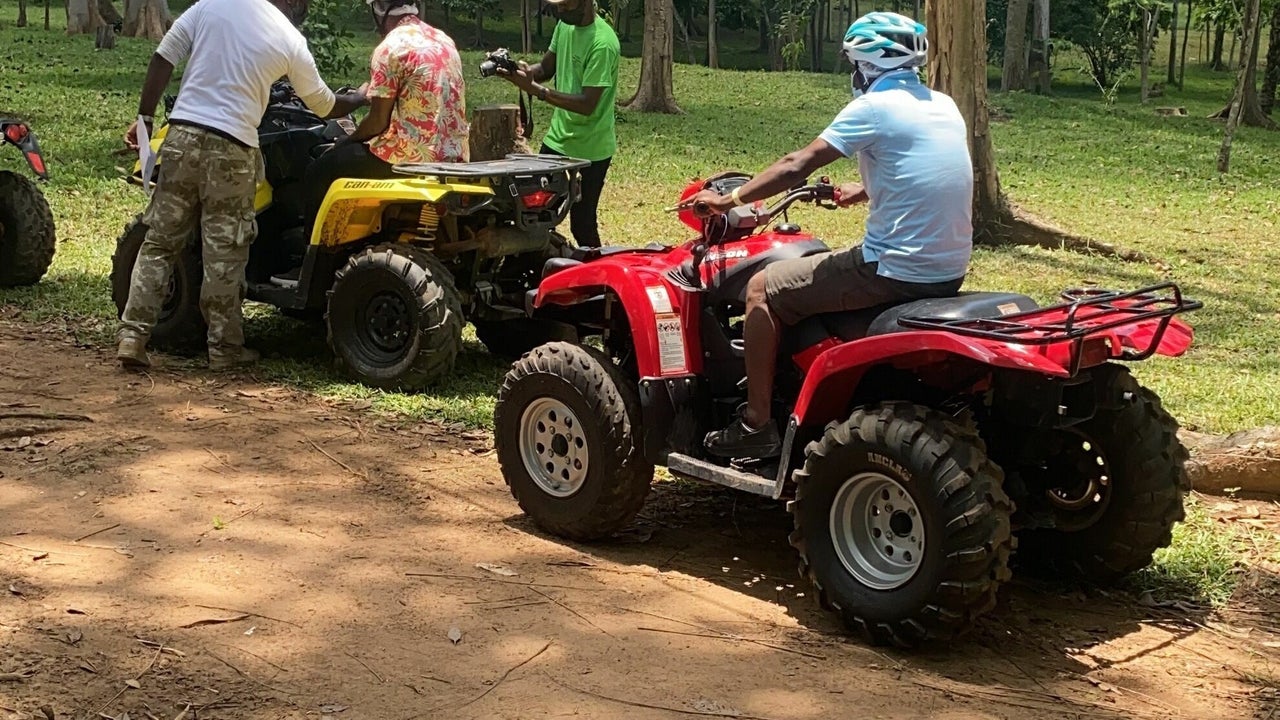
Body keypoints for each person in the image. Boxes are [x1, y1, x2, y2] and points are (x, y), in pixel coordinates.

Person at [680, 12, 974, 459]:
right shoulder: (943, 104)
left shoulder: (873, 107)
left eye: (854, 64)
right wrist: (864, 190)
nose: (853, 74)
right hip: (946, 269)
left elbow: (797, 164)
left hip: (891, 268)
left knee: (762, 289)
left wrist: (729, 199)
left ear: (867, 66)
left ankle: (756, 423)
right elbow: (922, 170)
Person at [118, 0, 366, 372]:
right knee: (225, 250)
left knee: (160, 241)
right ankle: (224, 348)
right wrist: (360, 97)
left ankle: (133, 336)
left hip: (182, 137)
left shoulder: (210, 6)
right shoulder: (288, 38)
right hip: (232, 148)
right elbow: (324, 104)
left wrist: (145, 121)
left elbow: (162, 58)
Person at [303, 0, 469, 231]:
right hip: (454, 156)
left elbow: (377, 123)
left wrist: (346, 141)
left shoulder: (390, 47)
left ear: (378, 9)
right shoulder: (444, 40)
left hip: (408, 160)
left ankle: (314, 257)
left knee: (318, 171)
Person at [496, 0, 619, 248]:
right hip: (557, 140)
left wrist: (538, 91)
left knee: (582, 224)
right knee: (533, 215)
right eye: (557, 6)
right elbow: (545, 68)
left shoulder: (603, 43)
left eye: (566, 5)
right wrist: (517, 73)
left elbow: (587, 104)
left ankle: (598, 279)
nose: (560, 11)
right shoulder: (565, 26)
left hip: (591, 150)